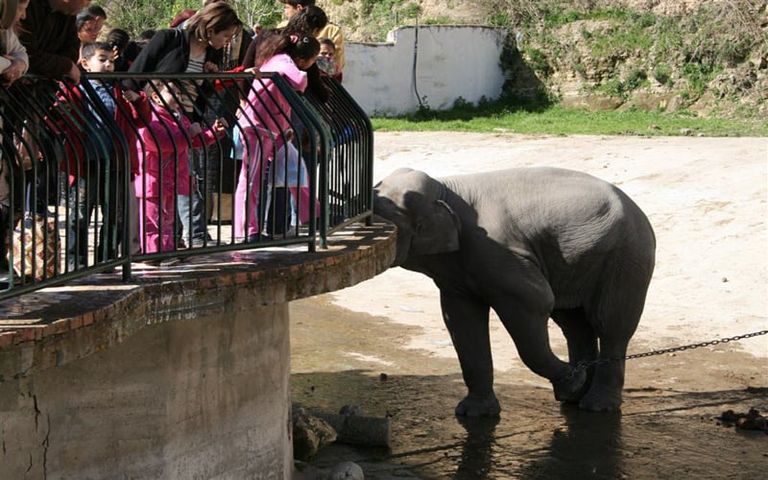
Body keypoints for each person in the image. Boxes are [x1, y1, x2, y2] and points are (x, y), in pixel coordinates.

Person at [127, 1, 242, 248]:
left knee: (181, 182)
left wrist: (210, 78)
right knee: (157, 192)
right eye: (225, 35)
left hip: (186, 117)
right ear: (210, 29)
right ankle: (151, 248)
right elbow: (135, 75)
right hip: (156, 117)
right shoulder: (169, 39)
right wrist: (139, 106)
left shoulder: (212, 52)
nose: (227, 42)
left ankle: (172, 242)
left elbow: (202, 91)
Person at [57, 41, 148, 269]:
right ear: (85, 63)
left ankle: (107, 258)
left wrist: (138, 100)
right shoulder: (77, 89)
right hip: (86, 161)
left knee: (115, 214)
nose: (108, 65)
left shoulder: (119, 90)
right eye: (102, 59)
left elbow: (140, 120)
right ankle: (75, 260)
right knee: (79, 212)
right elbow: (60, 114)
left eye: (111, 61)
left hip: (115, 162)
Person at [235, 32, 319, 242]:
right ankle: (246, 231)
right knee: (251, 179)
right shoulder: (283, 61)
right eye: (314, 59)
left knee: (296, 168)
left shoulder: (279, 59)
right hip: (257, 127)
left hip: (275, 128)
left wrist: (286, 126)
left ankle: (313, 215)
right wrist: (306, 75)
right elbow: (299, 81)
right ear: (304, 59)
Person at [135, 80, 226, 253]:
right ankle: (153, 252)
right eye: (172, 93)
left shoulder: (178, 116)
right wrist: (188, 133)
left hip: (172, 177)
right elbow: (161, 144)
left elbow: (194, 141)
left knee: (168, 219)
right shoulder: (151, 118)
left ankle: (167, 250)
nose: (178, 96)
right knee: (153, 220)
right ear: (156, 97)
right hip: (153, 179)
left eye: (179, 93)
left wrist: (214, 132)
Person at [0, 0, 30, 272]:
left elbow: (21, 54)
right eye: (21, 7)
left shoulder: (4, 31)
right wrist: (5, 63)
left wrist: (17, 64)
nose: (24, 14)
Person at [277, 0, 344, 79]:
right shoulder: (332, 30)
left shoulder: (281, 32)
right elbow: (337, 66)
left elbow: (336, 65)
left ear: (299, 8)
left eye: (287, 7)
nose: (285, 12)